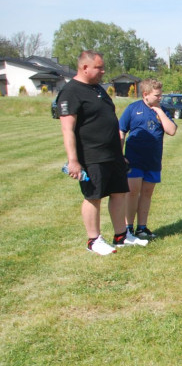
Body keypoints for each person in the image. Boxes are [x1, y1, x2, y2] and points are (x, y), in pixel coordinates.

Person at [58, 50, 148, 255]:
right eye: (99, 67)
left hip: (112, 154)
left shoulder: (98, 89)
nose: (103, 71)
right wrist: (73, 160)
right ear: (85, 67)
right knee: (94, 196)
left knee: (119, 193)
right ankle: (93, 240)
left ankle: (121, 236)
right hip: (91, 154)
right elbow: (67, 129)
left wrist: (119, 153)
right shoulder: (71, 91)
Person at [119, 79, 177, 240]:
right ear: (145, 94)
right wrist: (119, 154)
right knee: (132, 193)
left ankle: (142, 228)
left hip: (153, 160)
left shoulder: (162, 110)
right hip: (134, 159)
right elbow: (121, 130)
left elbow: (172, 131)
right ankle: (128, 228)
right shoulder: (133, 109)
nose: (160, 97)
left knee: (147, 193)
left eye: (161, 94)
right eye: (157, 95)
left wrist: (159, 111)